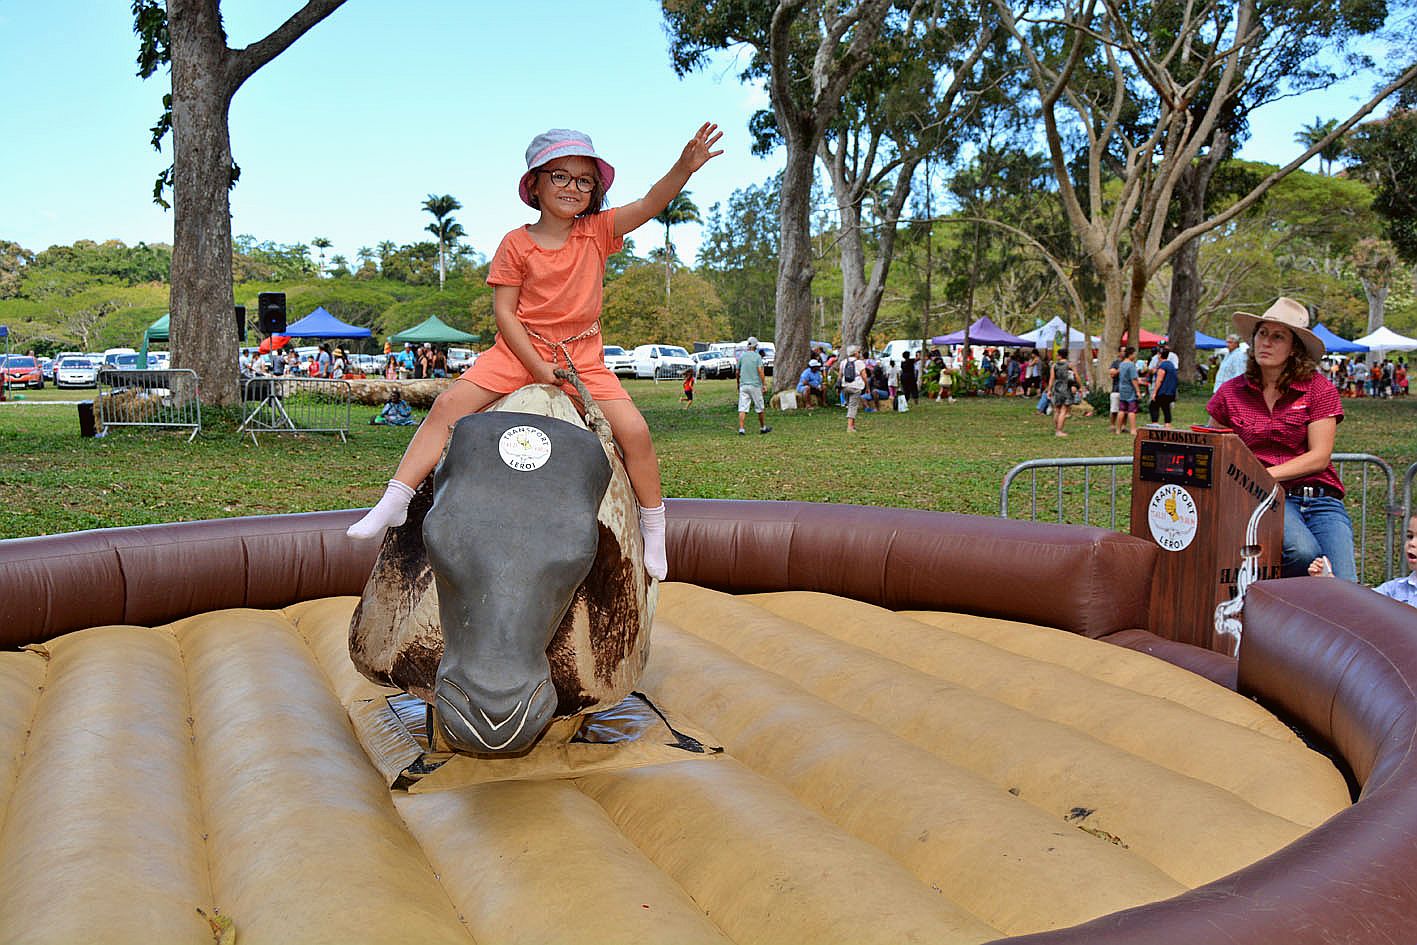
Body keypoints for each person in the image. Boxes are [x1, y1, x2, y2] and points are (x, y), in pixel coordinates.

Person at [346, 123, 725, 584]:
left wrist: (683, 168)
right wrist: (535, 367)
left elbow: (649, 203)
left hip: (581, 356)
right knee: (447, 405)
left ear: (594, 191)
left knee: (636, 432)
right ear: (536, 184)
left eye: (584, 180)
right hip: (518, 350)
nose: (573, 187)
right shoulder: (516, 243)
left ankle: (654, 525)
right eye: (561, 176)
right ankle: (396, 499)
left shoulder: (598, 232)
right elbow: (505, 312)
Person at [1207, 297, 1355, 581]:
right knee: (1303, 553)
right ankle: (1283, 605)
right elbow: (1212, 445)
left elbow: (1319, 457)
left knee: (1346, 583)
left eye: (1278, 337)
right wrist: (1251, 482)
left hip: (1322, 499)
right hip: (1266, 497)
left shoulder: (1318, 389)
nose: (1266, 342)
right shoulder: (1230, 393)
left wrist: (1262, 473)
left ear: (1293, 349)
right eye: (1262, 334)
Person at [1369, 514, 1417, 607]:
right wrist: (1332, 580)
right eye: (1410, 536)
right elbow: (1361, 600)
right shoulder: (1395, 588)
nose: (1412, 543)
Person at [736, 336, 771, 434]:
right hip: (755, 385)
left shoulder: (742, 356)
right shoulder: (757, 357)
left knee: (742, 407)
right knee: (759, 407)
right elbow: (760, 371)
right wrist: (764, 384)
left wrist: (738, 383)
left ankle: (742, 428)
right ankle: (762, 427)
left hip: (744, 385)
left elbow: (737, 372)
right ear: (756, 346)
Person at [839, 345, 868, 432]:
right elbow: (864, 376)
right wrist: (867, 386)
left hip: (845, 386)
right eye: (858, 352)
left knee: (850, 405)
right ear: (855, 353)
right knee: (853, 406)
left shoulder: (843, 362)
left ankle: (852, 424)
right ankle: (850, 427)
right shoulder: (859, 363)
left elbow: (840, 375)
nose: (859, 353)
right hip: (856, 386)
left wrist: (838, 386)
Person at [1148, 346, 1179, 428]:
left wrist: (1154, 393)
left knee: (1153, 405)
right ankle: (1168, 425)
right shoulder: (1171, 365)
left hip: (1162, 391)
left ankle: (1155, 423)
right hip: (1170, 392)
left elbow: (1159, 380)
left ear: (1159, 355)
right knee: (1166, 409)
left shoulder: (1163, 366)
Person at [1048, 349, 1076, 436]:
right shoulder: (1070, 365)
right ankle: (1059, 431)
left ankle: (1057, 429)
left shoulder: (1054, 365)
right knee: (1063, 410)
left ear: (1060, 355)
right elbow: (1075, 376)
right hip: (1066, 388)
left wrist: (1049, 389)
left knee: (1057, 410)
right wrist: (1079, 386)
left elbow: (1052, 378)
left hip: (1057, 388)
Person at [1115, 346, 1141, 435]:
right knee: (1131, 410)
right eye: (1134, 354)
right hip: (1130, 390)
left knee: (1121, 409)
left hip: (1122, 389)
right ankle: (1133, 430)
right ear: (1131, 354)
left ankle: (1118, 429)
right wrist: (1138, 391)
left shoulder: (1121, 364)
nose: (1134, 356)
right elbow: (1133, 379)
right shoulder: (1131, 365)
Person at [1107, 345, 1124, 433]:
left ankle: (1123, 426)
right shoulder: (1115, 363)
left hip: (1126, 390)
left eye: (1126, 351)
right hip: (1116, 389)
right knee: (1114, 409)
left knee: (1125, 410)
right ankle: (1112, 425)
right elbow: (1112, 374)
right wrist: (1120, 370)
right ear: (1119, 353)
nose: (1124, 353)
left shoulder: (1129, 362)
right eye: (1123, 351)